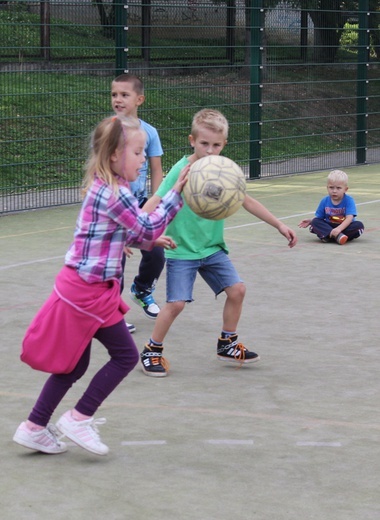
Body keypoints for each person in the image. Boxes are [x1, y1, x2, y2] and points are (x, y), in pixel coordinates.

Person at [13, 115, 187, 455]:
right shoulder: (114, 193)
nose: (142, 159)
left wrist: (149, 239)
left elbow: (136, 233)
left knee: (74, 364)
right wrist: (176, 192)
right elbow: (145, 229)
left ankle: (34, 427)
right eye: (137, 153)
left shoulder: (107, 188)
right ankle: (79, 418)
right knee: (125, 356)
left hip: (85, 289)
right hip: (88, 293)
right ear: (113, 156)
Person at [139, 108, 298, 377]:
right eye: (204, 144)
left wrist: (279, 224)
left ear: (224, 144)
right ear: (192, 140)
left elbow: (246, 200)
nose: (210, 150)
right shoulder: (182, 169)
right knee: (176, 304)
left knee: (237, 290)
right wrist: (135, 226)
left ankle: (227, 343)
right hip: (182, 250)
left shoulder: (223, 170)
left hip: (212, 248)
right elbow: (156, 198)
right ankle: (152, 349)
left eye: (216, 145)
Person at [112, 73, 165, 323]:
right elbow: (101, 172)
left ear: (139, 99)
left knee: (156, 251)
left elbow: (156, 170)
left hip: (141, 203)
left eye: (125, 95)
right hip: (115, 206)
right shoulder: (109, 131)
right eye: (114, 95)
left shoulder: (150, 132)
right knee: (116, 260)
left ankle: (142, 289)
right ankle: (113, 310)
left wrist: (156, 204)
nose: (118, 100)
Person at [298, 169, 364, 244]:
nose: (334, 191)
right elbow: (319, 217)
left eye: (338, 188)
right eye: (331, 187)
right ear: (327, 188)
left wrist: (339, 229)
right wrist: (310, 221)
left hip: (344, 226)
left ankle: (328, 236)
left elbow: (349, 218)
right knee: (315, 222)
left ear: (345, 189)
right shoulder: (324, 201)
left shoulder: (349, 200)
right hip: (329, 225)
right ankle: (338, 236)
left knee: (359, 225)